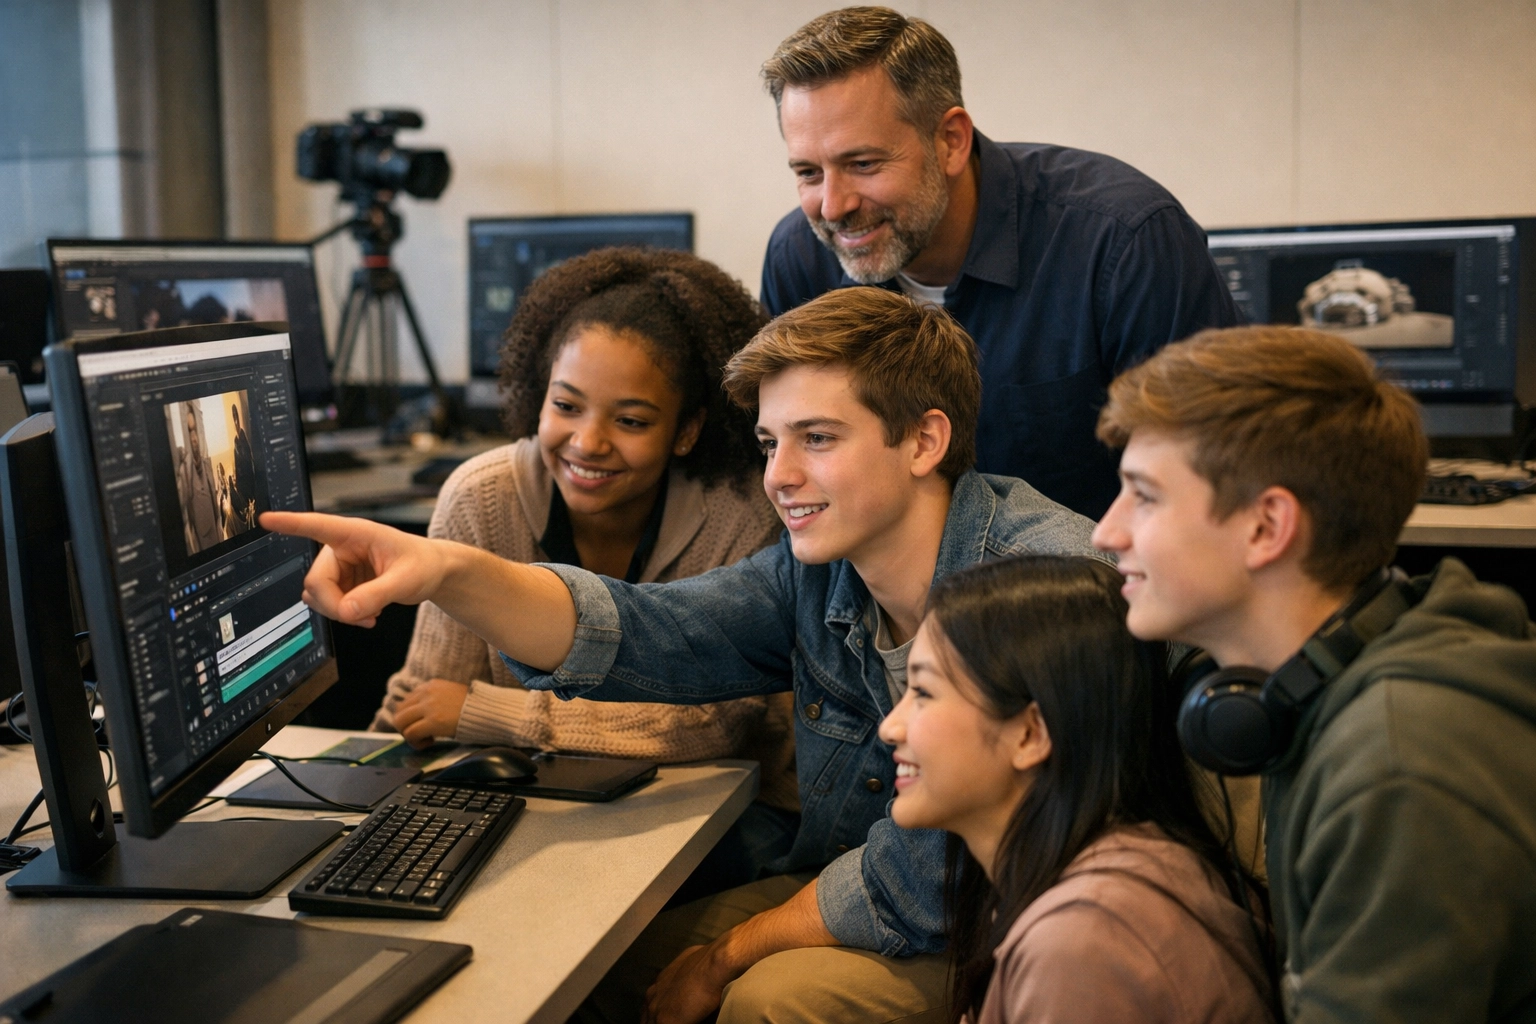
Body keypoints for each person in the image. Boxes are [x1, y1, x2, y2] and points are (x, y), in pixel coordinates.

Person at [262, 286, 1098, 1024]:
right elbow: (646, 629)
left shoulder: (1045, 582)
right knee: (589, 966)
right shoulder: (818, 573)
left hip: (1014, 921)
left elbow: (933, 876)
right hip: (871, 877)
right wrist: (444, 570)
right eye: (770, 443)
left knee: (771, 1001)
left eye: (817, 438)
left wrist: (727, 955)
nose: (780, 477)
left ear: (923, 441)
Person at [1090, 325, 1536, 1022]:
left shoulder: (1397, 766)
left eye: (1143, 496)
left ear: (1267, 527)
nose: (1106, 532)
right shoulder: (1323, 691)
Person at [377, 247, 799, 889]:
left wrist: (498, 715)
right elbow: (427, 704)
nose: (587, 443)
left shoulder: (740, 511)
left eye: (630, 420)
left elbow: (717, 724)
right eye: (566, 406)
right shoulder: (480, 497)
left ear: (686, 430)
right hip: (538, 804)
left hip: (720, 809)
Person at [758, 7, 1240, 521]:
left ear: (951, 141)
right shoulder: (800, 260)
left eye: (863, 164)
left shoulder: (1125, 242)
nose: (833, 207)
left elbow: (1212, 478)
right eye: (808, 173)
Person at [879, 555, 1274, 1023]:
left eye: (923, 692)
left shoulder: (1082, 941)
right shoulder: (1073, 883)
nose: (890, 727)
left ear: (1030, 734)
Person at [174, 403, 223, 553]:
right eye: (190, 432)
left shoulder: (207, 466)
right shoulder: (185, 473)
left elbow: (216, 511)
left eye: (195, 430)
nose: (194, 438)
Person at [230, 401, 256, 530]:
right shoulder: (236, 442)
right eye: (233, 417)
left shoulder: (242, 439)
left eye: (236, 416)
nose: (235, 421)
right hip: (242, 484)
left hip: (249, 482)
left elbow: (248, 461)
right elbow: (237, 464)